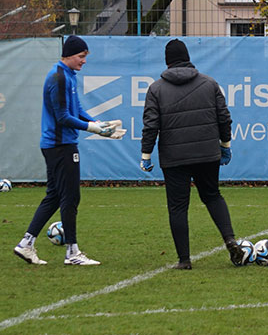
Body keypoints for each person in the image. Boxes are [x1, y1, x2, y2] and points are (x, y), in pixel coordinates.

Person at [140, 39, 244, 269]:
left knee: (178, 206)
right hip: (207, 153)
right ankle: (230, 239)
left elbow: (151, 125)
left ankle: (184, 260)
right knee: (212, 196)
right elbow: (224, 117)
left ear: (167, 61)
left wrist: (146, 154)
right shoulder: (209, 83)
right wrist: (225, 145)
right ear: (188, 58)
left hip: (174, 157)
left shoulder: (156, 88)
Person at [13, 35, 116, 266]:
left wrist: (97, 123)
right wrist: (93, 128)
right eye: (81, 56)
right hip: (60, 146)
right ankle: (72, 253)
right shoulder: (58, 77)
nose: (84, 61)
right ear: (68, 55)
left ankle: (26, 244)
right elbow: (62, 117)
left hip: (57, 145)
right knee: (70, 197)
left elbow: (76, 108)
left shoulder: (67, 75)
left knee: (54, 196)